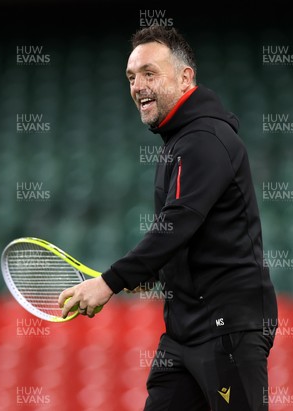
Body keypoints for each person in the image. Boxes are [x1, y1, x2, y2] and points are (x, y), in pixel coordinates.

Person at [59, 24, 278, 411]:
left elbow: (178, 222)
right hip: (183, 333)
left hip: (228, 329)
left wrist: (110, 281)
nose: (138, 85)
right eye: (131, 77)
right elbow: (192, 236)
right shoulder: (179, 141)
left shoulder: (205, 139)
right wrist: (152, 274)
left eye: (149, 73)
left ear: (185, 78)